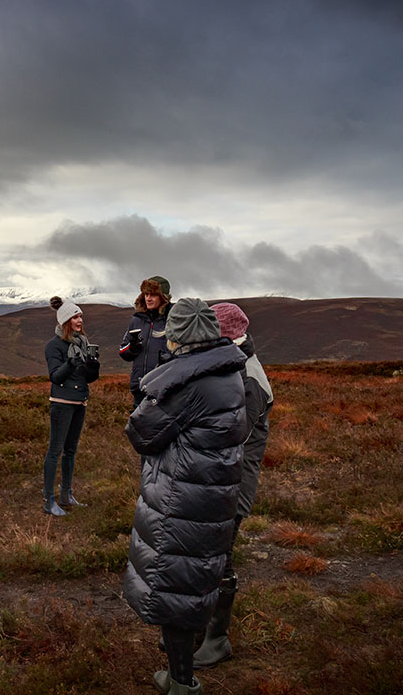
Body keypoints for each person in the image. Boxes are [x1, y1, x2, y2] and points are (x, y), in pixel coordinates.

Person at [122, 298, 247, 695]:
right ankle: (183, 670)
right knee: (191, 581)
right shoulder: (227, 372)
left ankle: (181, 682)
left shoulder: (190, 384)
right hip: (208, 494)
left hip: (183, 497)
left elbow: (142, 432)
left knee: (176, 585)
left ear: (180, 337)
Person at [191, 303, 274, 668]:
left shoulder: (249, 380)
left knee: (219, 558)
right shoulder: (231, 365)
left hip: (232, 485)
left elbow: (231, 435)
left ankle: (217, 638)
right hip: (213, 480)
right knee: (203, 555)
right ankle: (199, 629)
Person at [43, 296, 100, 516]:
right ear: (66, 321)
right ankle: (49, 500)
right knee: (54, 451)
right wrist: (70, 363)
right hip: (62, 404)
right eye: (75, 317)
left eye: (80, 316)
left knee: (70, 451)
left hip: (80, 401)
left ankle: (66, 494)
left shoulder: (83, 343)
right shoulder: (54, 346)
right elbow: (55, 377)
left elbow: (89, 379)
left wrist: (93, 368)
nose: (80, 320)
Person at [120, 276, 175, 408]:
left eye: (153, 295)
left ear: (163, 297)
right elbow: (122, 351)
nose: (148, 298)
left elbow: (183, 352)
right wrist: (132, 348)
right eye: (146, 294)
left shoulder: (173, 319)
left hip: (164, 388)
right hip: (139, 388)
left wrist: (169, 359)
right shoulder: (137, 319)